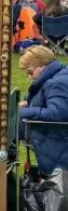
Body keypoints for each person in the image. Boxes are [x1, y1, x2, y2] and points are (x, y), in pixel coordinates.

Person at [18, 45, 68, 174]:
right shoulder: (58, 75)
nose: (29, 77)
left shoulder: (56, 83)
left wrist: (23, 112)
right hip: (53, 132)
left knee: (3, 129)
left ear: (43, 67)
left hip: (56, 135)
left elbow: (57, 113)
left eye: (30, 72)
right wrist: (27, 103)